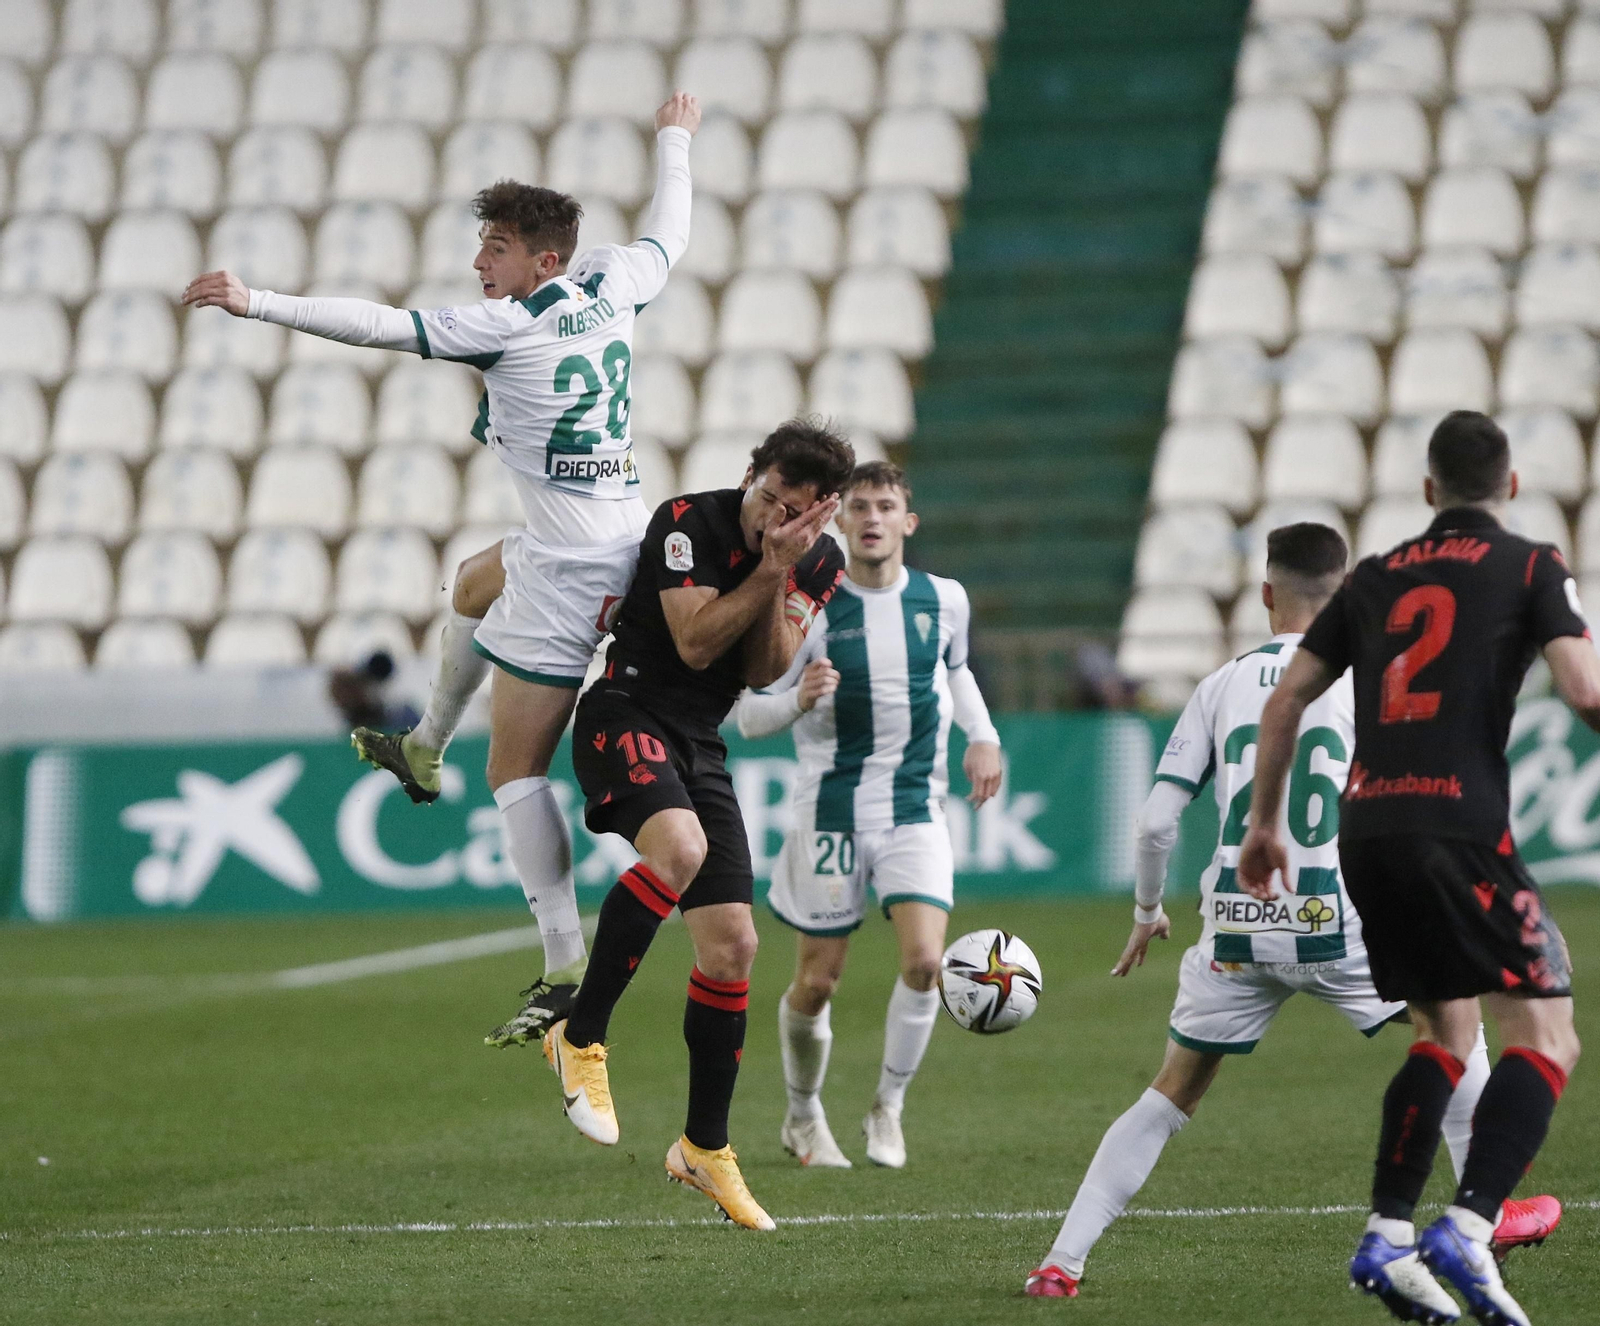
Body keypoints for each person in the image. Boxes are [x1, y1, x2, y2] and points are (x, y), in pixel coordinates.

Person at [182, 94, 702, 1050]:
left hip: (578, 567)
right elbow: (672, 225)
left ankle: (561, 963)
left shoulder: (507, 324)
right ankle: (423, 743)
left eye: (495, 247)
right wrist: (675, 138)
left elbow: (380, 326)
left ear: (544, 260)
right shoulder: (619, 279)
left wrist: (257, 301)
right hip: (610, 533)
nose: (479, 263)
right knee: (471, 581)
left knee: (513, 770)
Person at [1024, 523, 1561, 1304]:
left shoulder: (1219, 685)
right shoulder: (1376, 679)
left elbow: (1153, 823)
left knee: (1171, 1090)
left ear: (1265, 593)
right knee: (1456, 1026)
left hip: (1240, 927)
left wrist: (1147, 909)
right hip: (1346, 921)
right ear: (1345, 594)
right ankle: (1491, 1215)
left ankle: (1060, 1263)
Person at [1238, 413, 1593, 1326]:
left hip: (1368, 835)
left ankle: (1388, 1239)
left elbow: (1287, 700)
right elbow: (1585, 690)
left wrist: (1264, 824)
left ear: (1428, 491)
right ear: (1511, 488)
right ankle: (1471, 1229)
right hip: (1460, 827)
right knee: (1549, 1038)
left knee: (1446, 1031)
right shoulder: (1532, 566)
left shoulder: (1376, 576)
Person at [542, 421, 853, 1231]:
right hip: (626, 707)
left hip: (700, 743)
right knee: (681, 848)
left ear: (821, 512)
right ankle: (579, 1034)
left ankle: (704, 1149)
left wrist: (784, 568)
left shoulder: (821, 558)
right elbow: (694, 640)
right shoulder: (687, 520)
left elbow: (760, 669)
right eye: (767, 497)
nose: (772, 516)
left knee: (735, 946)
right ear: (750, 475)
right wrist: (770, 571)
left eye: (795, 509)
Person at [731, 461, 1002, 1169]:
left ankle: (888, 1107)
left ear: (907, 522)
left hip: (914, 806)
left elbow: (957, 669)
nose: (873, 518)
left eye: (886, 506)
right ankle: (801, 1114)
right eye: (860, 507)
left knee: (924, 963)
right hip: (829, 815)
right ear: (840, 522)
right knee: (817, 983)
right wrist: (797, 699)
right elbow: (748, 716)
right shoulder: (806, 607)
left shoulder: (945, 600)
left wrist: (983, 737)